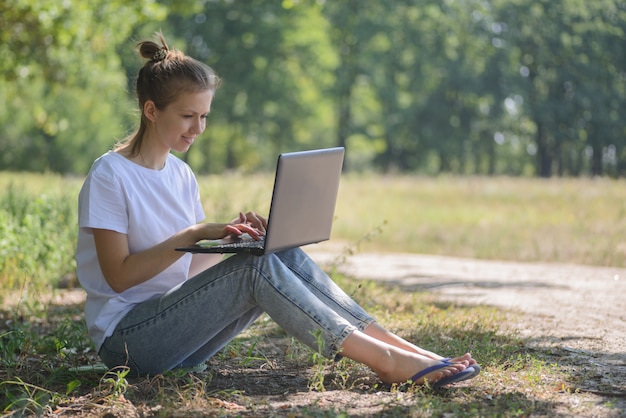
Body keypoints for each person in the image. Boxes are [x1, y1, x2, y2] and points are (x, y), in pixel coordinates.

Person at [76, 33, 480, 387]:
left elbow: (183, 272)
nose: (198, 129)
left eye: (204, 117)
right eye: (187, 116)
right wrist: (194, 234)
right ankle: (386, 362)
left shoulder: (180, 175)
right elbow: (120, 277)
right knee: (255, 269)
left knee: (271, 252)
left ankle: (407, 351)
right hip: (128, 343)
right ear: (151, 110)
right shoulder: (110, 175)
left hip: (180, 335)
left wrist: (234, 242)